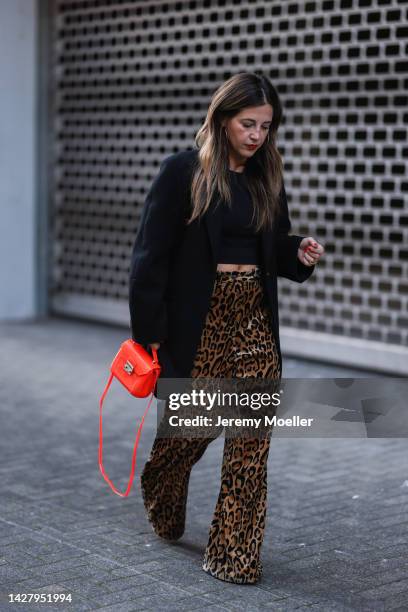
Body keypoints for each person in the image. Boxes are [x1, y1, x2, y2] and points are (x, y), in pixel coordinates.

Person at [128, 72, 324, 584]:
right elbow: (150, 256)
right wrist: (151, 329)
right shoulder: (183, 172)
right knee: (192, 429)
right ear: (221, 118)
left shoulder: (266, 177)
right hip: (201, 317)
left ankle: (234, 554)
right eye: (247, 123)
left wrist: (297, 251)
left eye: (265, 126)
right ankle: (162, 479)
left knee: (251, 434)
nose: (257, 135)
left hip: (253, 315)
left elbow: (271, 245)